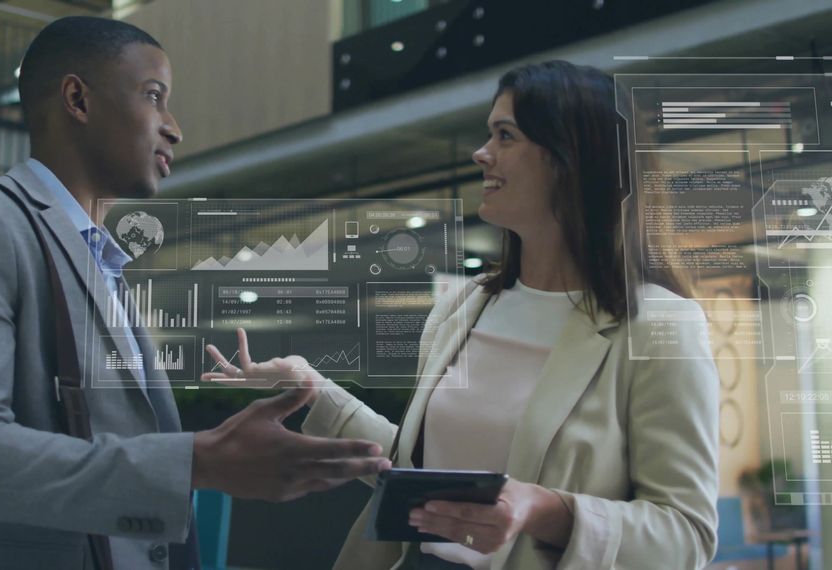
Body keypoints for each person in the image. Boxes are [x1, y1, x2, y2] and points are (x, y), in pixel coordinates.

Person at [0, 16, 390, 570]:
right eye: (153, 96)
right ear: (78, 98)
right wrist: (197, 462)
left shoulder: (99, 259)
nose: (174, 128)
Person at [203, 61, 719, 569]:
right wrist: (310, 386)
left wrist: (547, 511)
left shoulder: (658, 324)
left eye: (505, 135)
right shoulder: (466, 306)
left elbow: (687, 534)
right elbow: (418, 473)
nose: (481, 153)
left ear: (571, 158)